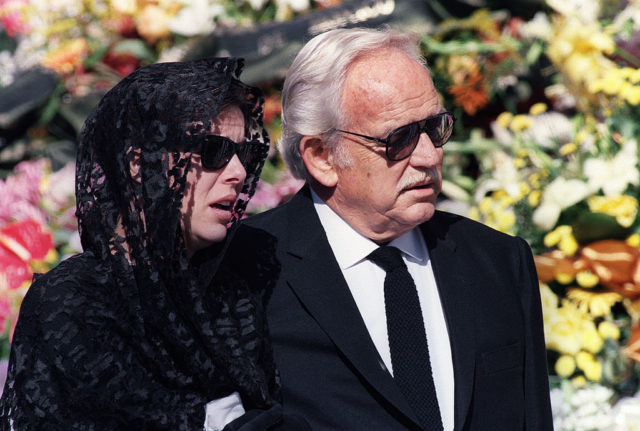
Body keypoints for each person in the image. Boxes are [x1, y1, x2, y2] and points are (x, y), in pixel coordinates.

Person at [231, 27, 554, 430]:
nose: (429, 155)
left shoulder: (497, 261)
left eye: (435, 128)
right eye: (399, 139)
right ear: (321, 156)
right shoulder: (243, 271)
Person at [0, 57, 286, 430]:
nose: (238, 173)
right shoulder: (75, 305)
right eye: (213, 151)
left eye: (246, 155)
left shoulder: (235, 292)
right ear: (139, 164)